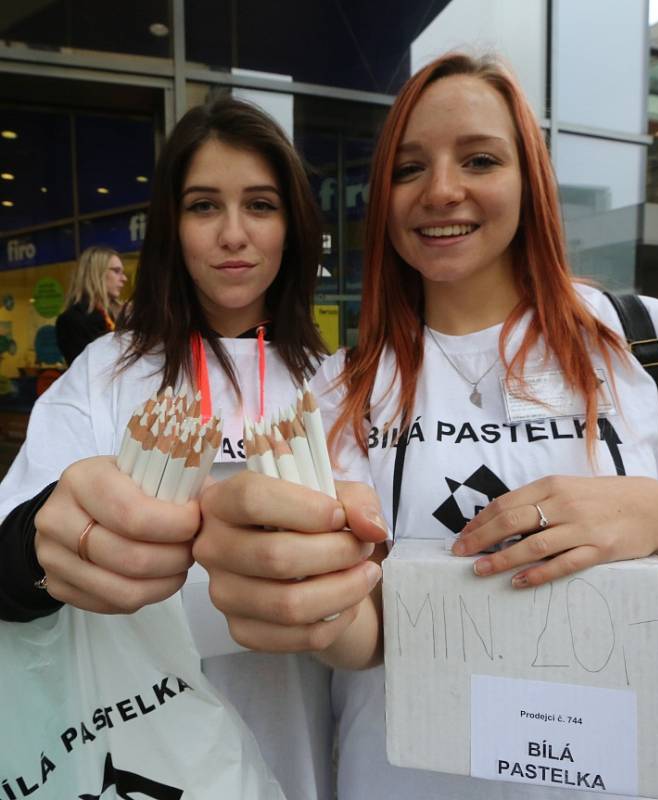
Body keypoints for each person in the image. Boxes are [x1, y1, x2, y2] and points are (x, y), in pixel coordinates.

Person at [194, 53, 658, 800]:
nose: (441, 191)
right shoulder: (341, 388)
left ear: (529, 178)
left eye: (479, 159)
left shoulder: (644, 343)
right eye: (409, 168)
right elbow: (367, 635)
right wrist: (316, 602)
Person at [0, 96, 385, 800]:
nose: (233, 234)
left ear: (294, 225)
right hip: (126, 756)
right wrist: (39, 549)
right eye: (205, 206)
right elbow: (13, 548)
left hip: (294, 750)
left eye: (261, 205)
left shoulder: (335, 385)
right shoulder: (109, 370)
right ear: (171, 227)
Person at [55, 245, 127, 364]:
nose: (124, 278)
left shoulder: (115, 315)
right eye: (116, 271)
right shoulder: (72, 320)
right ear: (96, 273)